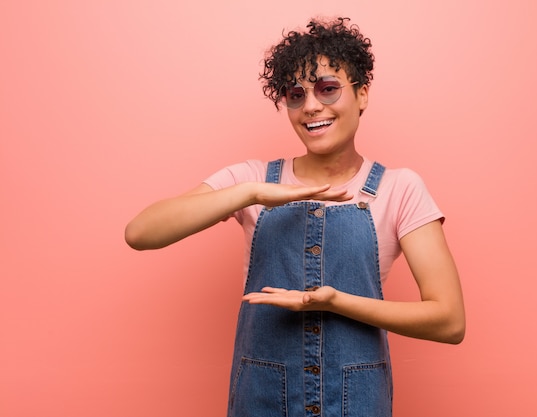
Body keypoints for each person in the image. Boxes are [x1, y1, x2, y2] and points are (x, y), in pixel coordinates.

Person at [125, 16, 465, 417]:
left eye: (328, 89)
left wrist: (337, 302)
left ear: (362, 94)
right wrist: (250, 193)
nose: (312, 106)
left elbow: (448, 321)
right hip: (262, 400)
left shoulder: (400, 188)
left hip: (355, 402)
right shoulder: (252, 179)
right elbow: (140, 232)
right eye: (295, 94)